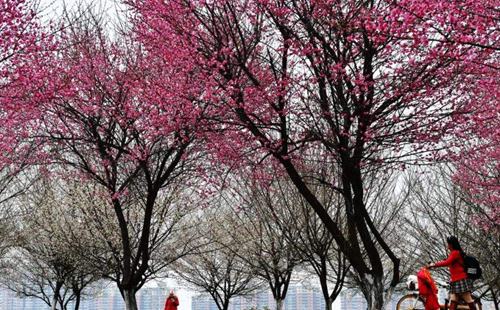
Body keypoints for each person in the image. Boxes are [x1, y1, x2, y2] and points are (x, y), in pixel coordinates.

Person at [427, 236, 476, 310]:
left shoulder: (455, 253)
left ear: (451, 244)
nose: (447, 246)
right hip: (456, 280)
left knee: (468, 299)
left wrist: (434, 265)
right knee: (454, 300)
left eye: (448, 244)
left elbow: (447, 262)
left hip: (460, 280)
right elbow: (449, 261)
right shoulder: (454, 253)